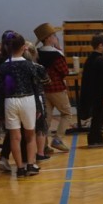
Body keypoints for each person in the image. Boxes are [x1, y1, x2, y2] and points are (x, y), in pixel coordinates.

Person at [0, 32, 42, 176]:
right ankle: (30, 165)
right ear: (23, 47)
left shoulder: (3, 66)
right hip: (27, 99)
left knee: (15, 137)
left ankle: (20, 168)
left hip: (10, 101)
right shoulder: (29, 65)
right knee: (30, 135)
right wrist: (39, 106)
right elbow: (36, 87)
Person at [34, 23, 71, 152]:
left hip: (43, 89)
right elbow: (65, 71)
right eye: (54, 35)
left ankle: (43, 145)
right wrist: (60, 50)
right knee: (67, 114)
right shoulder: (56, 55)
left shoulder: (37, 53)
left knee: (46, 118)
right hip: (57, 89)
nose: (56, 37)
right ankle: (57, 139)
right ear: (48, 38)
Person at [79, 32, 103, 148]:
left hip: (89, 93)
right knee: (99, 117)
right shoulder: (101, 60)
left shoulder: (89, 59)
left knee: (98, 116)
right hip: (98, 94)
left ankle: (96, 138)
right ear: (101, 45)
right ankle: (94, 139)